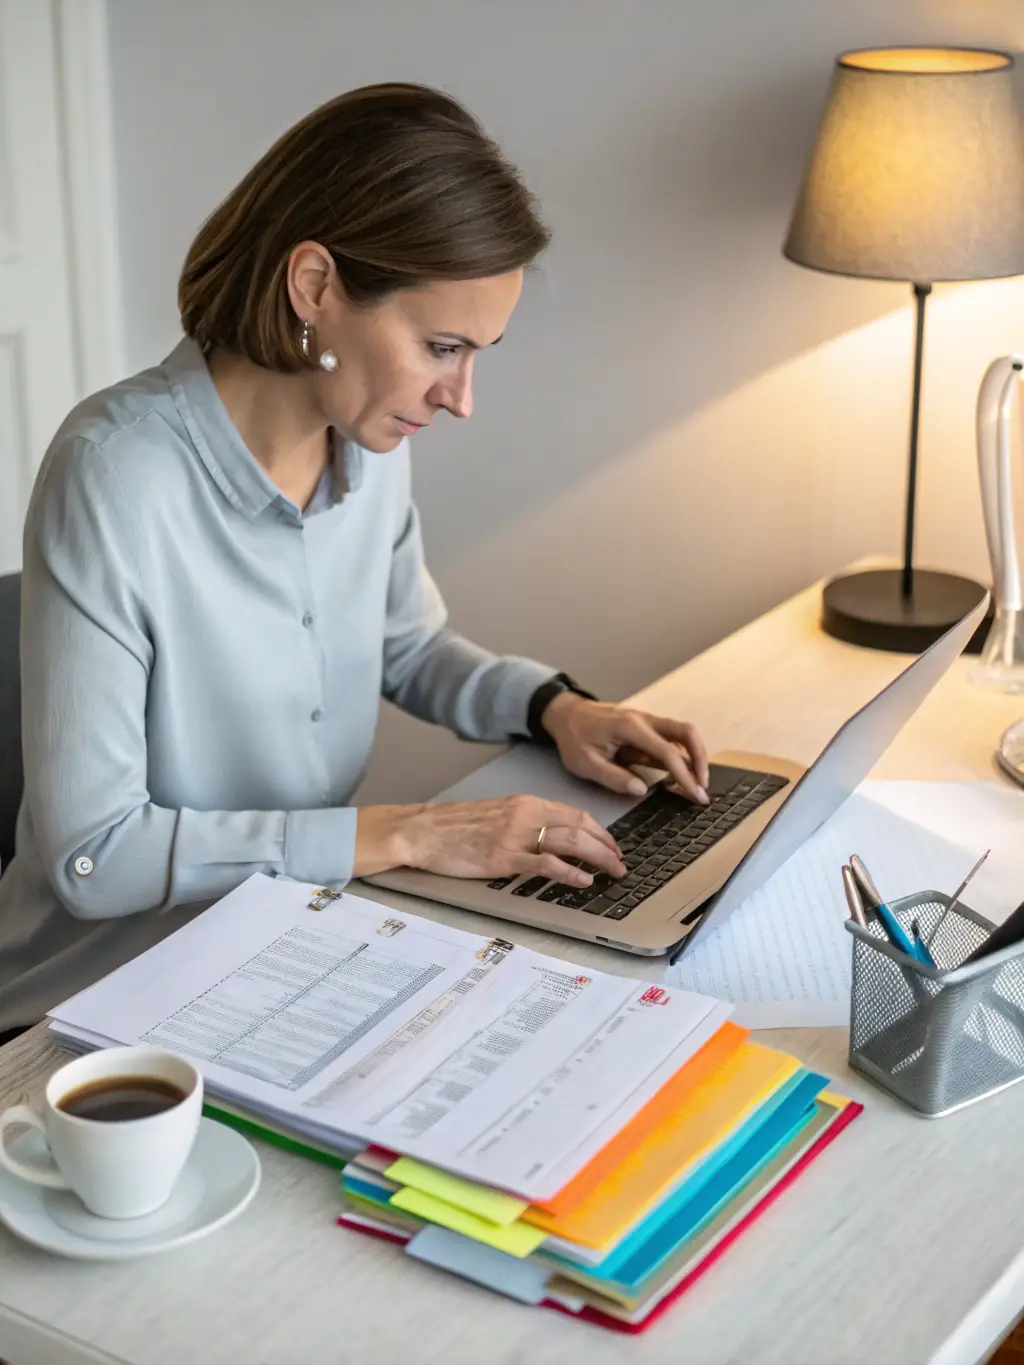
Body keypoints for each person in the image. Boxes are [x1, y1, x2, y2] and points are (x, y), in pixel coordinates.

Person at [0, 83, 709, 1041]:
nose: (460, 397)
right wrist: (404, 833)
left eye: (477, 353)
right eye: (442, 347)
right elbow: (96, 856)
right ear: (315, 288)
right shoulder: (116, 472)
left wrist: (559, 708)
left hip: (277, 949)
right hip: (89, 1014)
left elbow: (408, 649)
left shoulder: (368, 443)